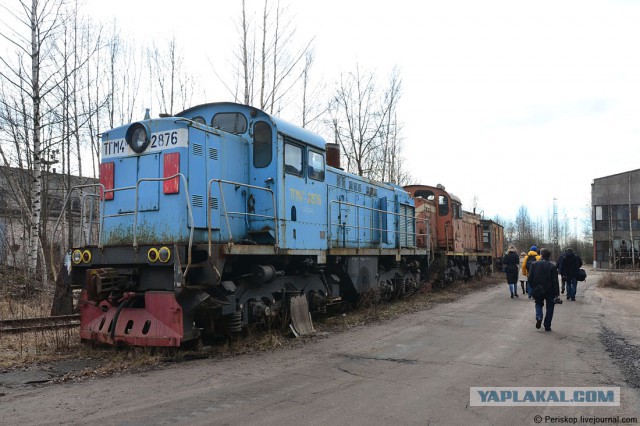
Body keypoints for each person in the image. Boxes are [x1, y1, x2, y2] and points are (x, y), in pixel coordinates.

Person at [529, 247, 560, 331]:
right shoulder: (553, 266)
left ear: (541, 255)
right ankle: (547, 325)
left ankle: (539, 317)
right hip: (550, 290)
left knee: (538, 303)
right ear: (549, 256)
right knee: (550, 307)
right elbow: (555, 281)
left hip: (538, 288)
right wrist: (557, 293)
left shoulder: (534, 264)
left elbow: (530, 278)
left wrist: (532, 287)